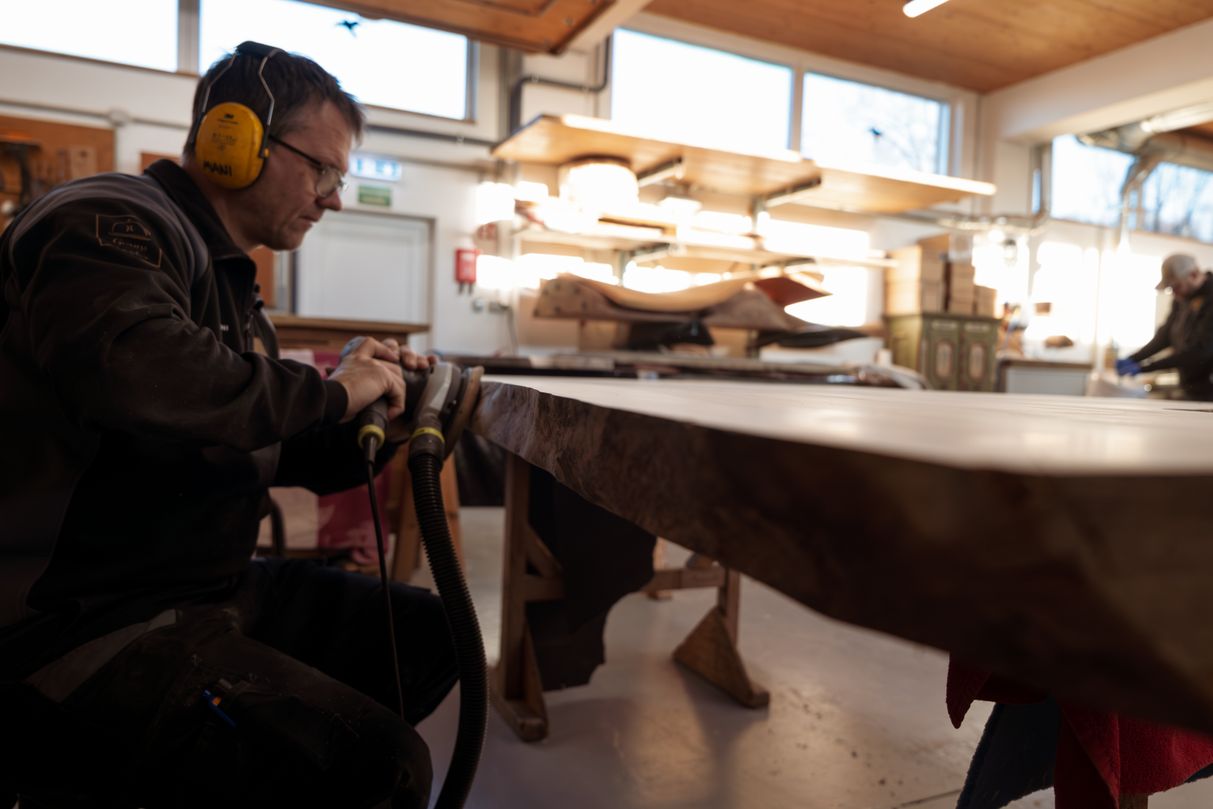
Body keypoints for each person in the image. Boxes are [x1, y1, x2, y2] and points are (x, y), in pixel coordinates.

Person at [0, 42, 457, 808]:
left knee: (429, 636)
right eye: (324, 170)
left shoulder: (229, 287)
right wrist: (338, 390)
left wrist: (386, 414)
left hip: (204, 585)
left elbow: (266, 441)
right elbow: (145, 375)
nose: (333, 198)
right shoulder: (106, 218)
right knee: (380, 766)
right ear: (233, 138)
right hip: (76, 618)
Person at [1115, 252, 1213, 400]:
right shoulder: (1182, 298)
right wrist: (1134, 359)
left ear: (1193, 275)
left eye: (1176, 287)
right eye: (1170, 289)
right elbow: (1165, 336)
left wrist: (1144, 368)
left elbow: (1199, 352)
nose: (1174, 294)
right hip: (1190, 386)